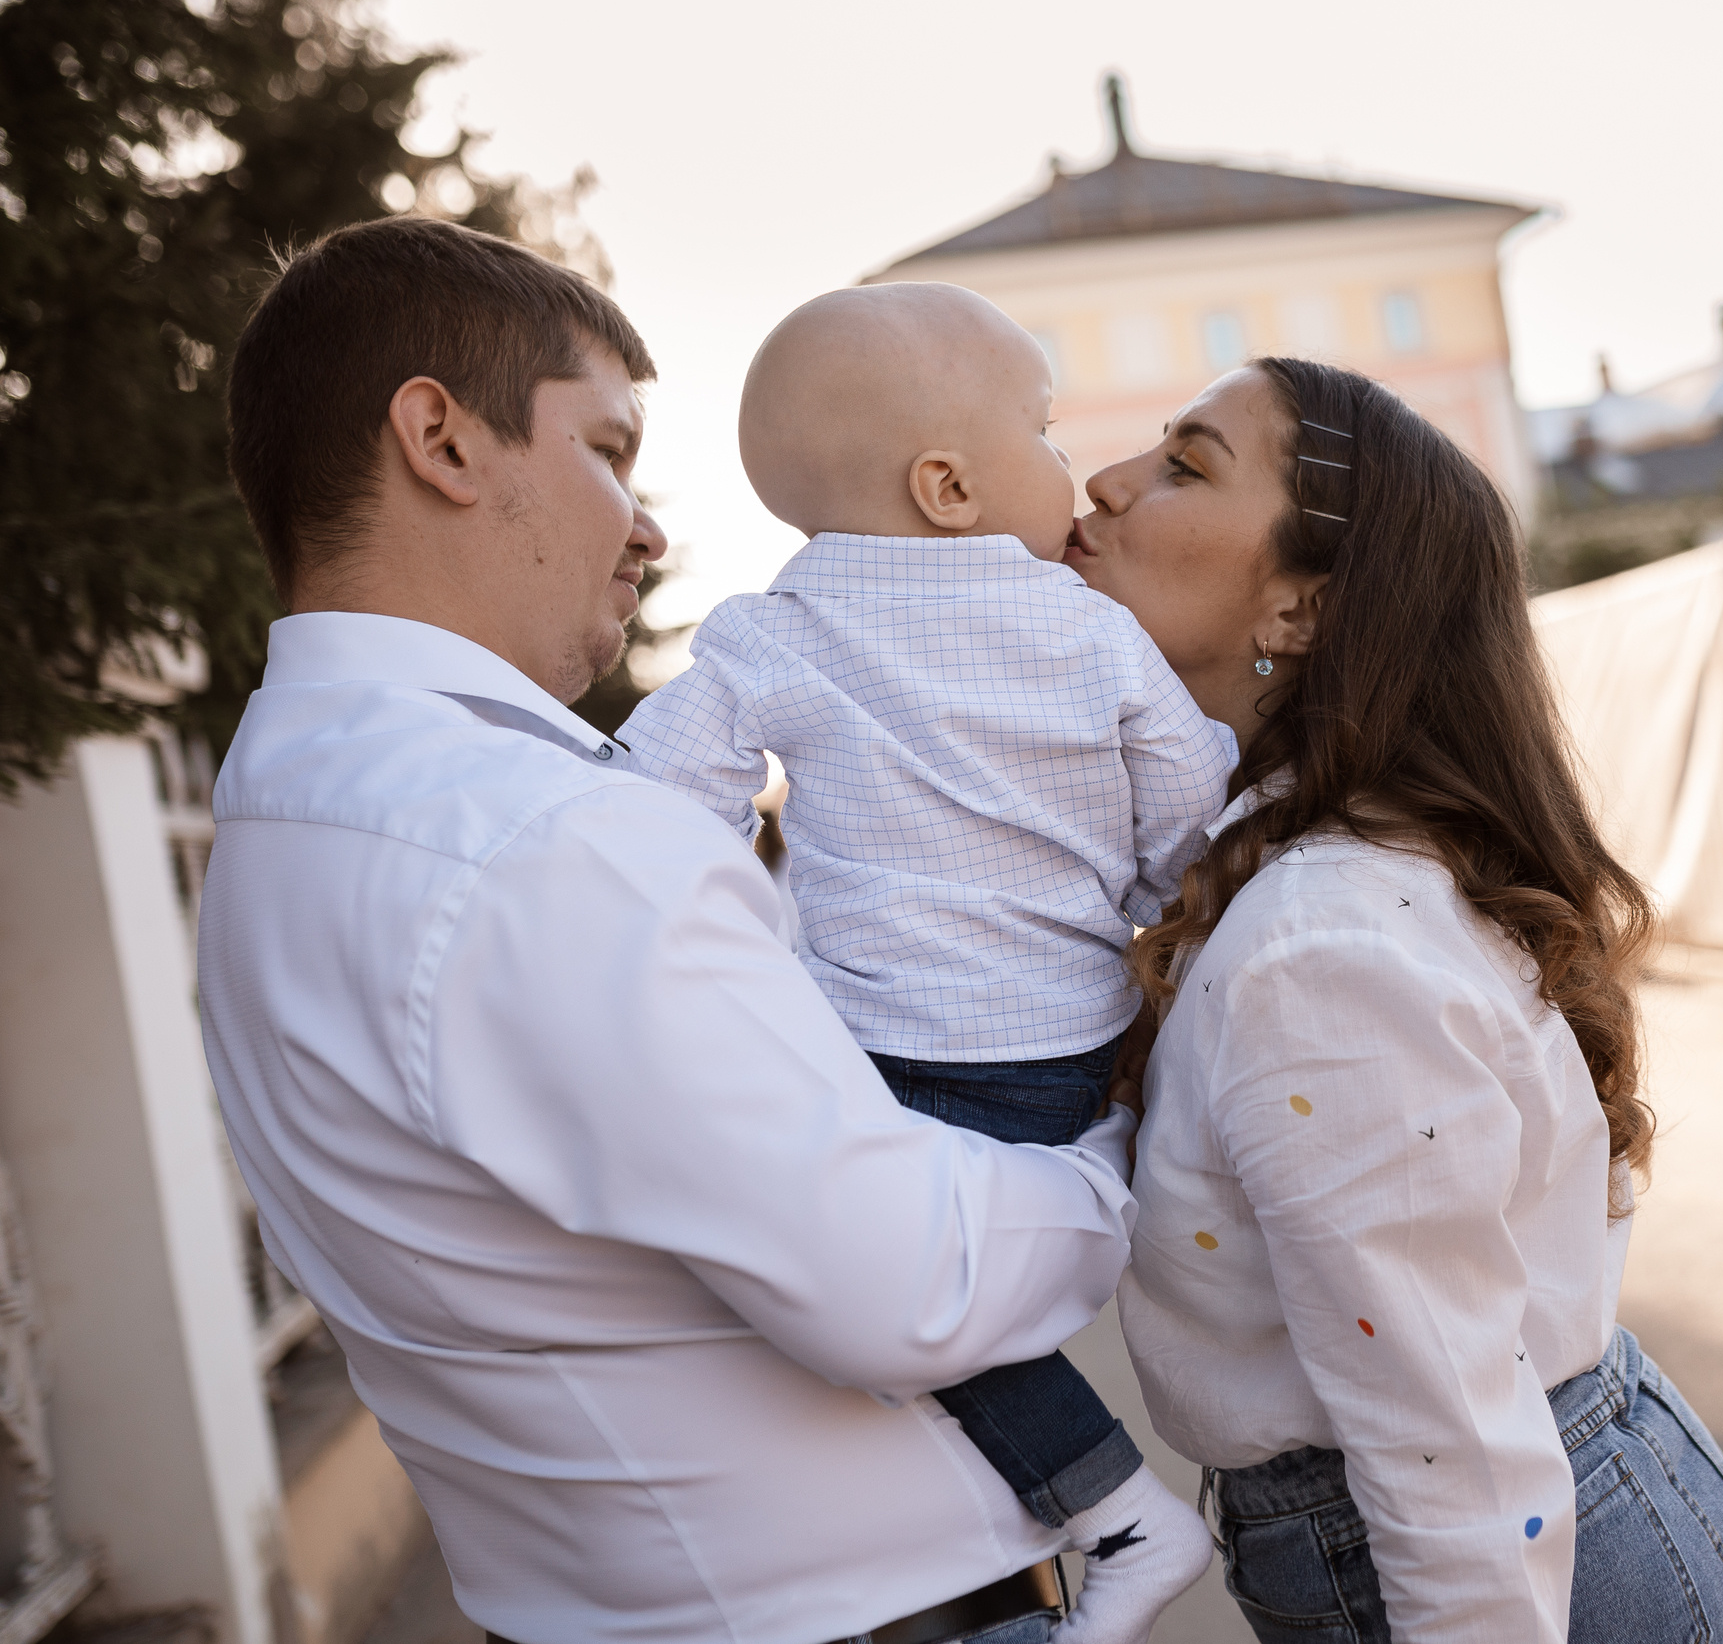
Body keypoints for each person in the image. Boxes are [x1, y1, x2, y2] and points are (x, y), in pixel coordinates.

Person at [200, 215, 1137, 1644]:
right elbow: (907, 1281)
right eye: (607, 450)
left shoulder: (282, 809)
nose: (645, 524)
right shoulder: (530, 833)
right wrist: (1127, 1151)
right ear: (441, 440)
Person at [1070, 357, 1723, 1644]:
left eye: (1186, 464)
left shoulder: (1317, 954)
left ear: (1301, 608)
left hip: (1491, 1561)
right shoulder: (1303, 885)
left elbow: (1442, 1442)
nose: (1107, 481)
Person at [621, 284, 1223, 1642]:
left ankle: (1116, 1503)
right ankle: (1105, 1489)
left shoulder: (770, 631)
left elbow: (650, 810)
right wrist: (1112, 893)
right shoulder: (1089, 627)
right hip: (1073, 1045)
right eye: (1049, 435)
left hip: (899, 1057)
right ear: (949, 485)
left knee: (849, 1285)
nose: (1073, 472)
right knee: (908, 1293)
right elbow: (1190, 806)